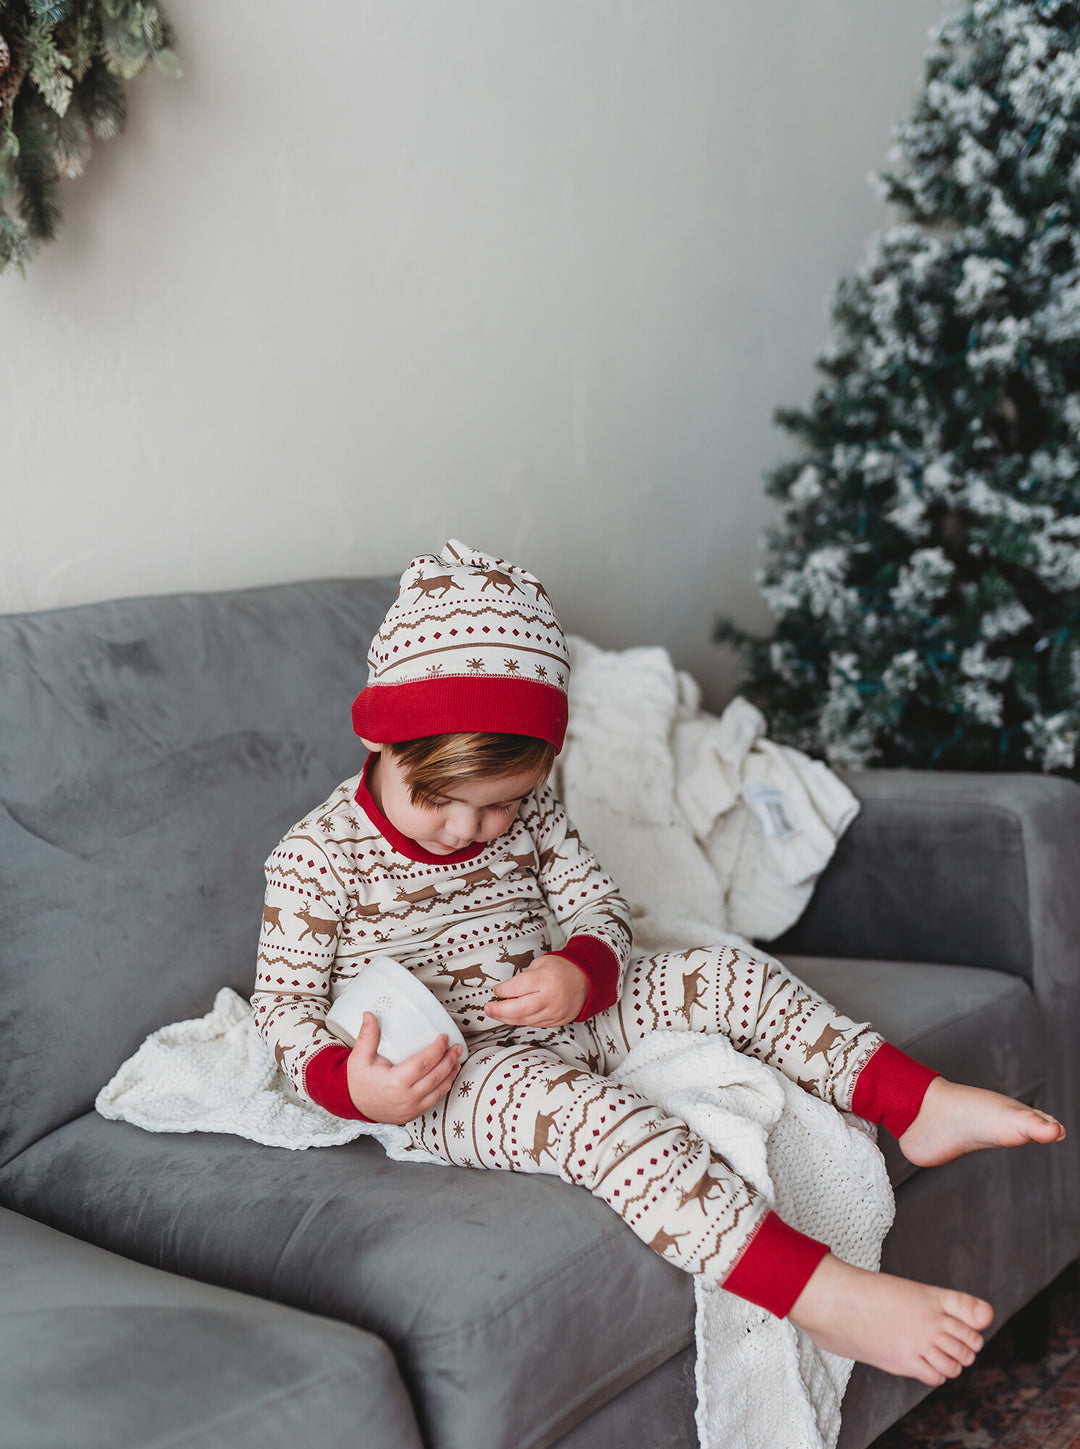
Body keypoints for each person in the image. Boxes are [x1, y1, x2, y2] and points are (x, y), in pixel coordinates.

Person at [252, 538, 1065, 1388]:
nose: (467, 830)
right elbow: (284, 1008)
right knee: (599, 1120)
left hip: (568, 1008)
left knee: (728, 974)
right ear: (384, 744)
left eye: (497, 805)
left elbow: (597, 905)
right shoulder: (318, 857)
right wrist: (358, 1086)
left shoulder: (530, 816)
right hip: (453, 1074)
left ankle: (915, 1100)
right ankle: (825, 1295)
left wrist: (581, 971)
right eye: (440, 800)